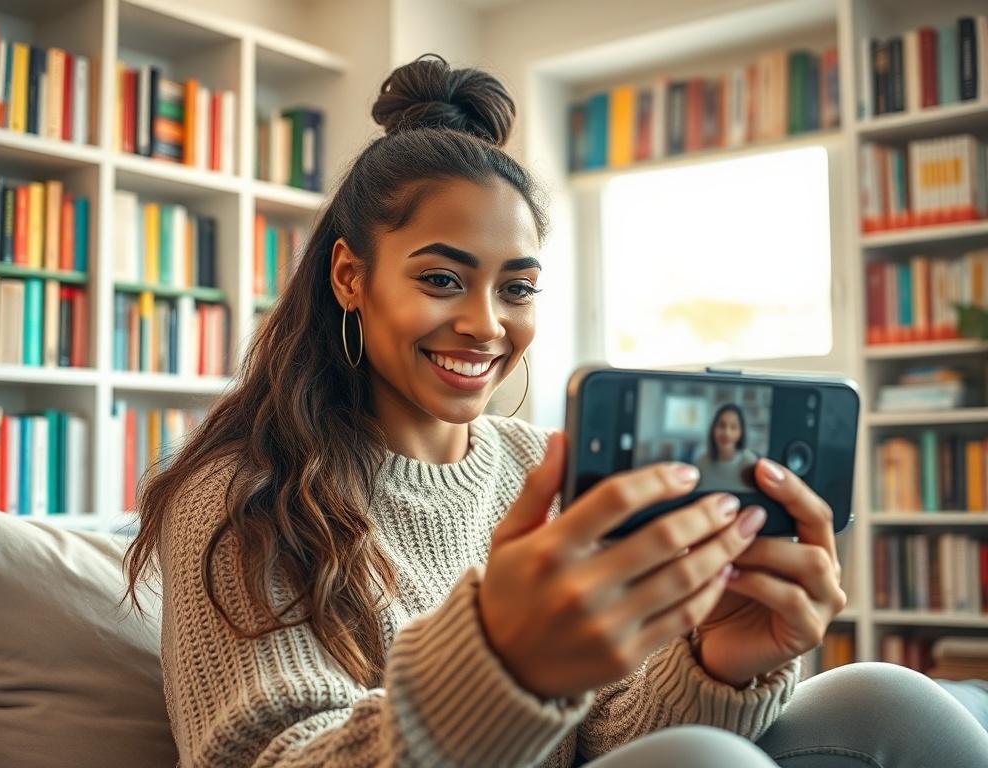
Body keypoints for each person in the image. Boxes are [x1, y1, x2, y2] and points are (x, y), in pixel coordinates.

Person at [122, 55, 988, 767]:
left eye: (518, 287)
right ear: (351, 276)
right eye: (441, 279)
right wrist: (500, 667)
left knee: (885, 696)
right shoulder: (242, 491)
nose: (485, 324)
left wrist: (715, 663)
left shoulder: (539, 464)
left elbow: (612, 732)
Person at [692, 403, 759, 492]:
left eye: (733, 427)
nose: (727, 433)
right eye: (721, 426)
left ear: (741, 432)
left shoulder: (750, 463)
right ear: (713, 429)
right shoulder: (700, 463)